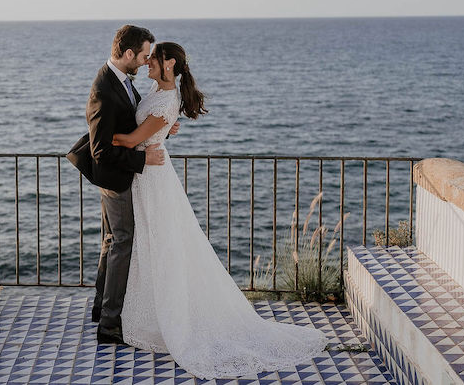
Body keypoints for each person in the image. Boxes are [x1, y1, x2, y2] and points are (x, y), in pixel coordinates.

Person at [111, 42, 329, 379]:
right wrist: (164, 130)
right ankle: (151, 316)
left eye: (153, 58)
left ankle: (175, 321)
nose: (148, 62)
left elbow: (130, 139)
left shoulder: (167, 98)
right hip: (148, 173)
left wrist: (101, 138)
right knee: (152, 246)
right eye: (147, 57)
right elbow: (152, 124)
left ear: (169, 64)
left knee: (164, 245)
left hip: (152, 176)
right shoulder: (158, 89)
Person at [66, 25, 178, 345]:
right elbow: (100, 150)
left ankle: (101, 308)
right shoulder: (104, 88)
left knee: (111, 240)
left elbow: (134, 122)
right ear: (128, 54)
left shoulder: (121, 80)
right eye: (143, 55)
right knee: (122, 243)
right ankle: (111, 325)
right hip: (115, 178)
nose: (146, 61)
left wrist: (164, 128)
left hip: (117, 174)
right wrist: (143, 162)